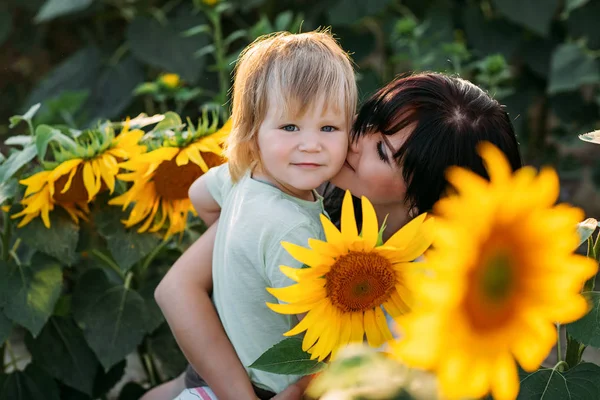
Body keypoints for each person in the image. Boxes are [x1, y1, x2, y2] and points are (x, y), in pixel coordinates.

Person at [146, 72, 523, 400]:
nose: (353, 140)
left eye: (382, 150)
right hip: (228, 369)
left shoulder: (430, 293)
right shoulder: (308, 182)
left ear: (433, 202)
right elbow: (177, 289)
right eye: (367, 120)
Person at [145, 29, 357, 400]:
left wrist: (236, 247)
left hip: (221, 370)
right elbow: (318, 344)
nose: (310, 144)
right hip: (266, 387)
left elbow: (199, 196)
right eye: (290, 126)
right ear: (253, 130)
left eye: (329, 127)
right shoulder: (294, 230)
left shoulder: (242, 173)